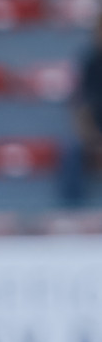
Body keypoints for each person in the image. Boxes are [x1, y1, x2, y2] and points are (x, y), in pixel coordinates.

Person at [59, 12, 102, 205]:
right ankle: (72, 210)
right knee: (73, 151)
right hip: (95, 128)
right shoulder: (90, 62)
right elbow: (80, 105)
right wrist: (92, 137)